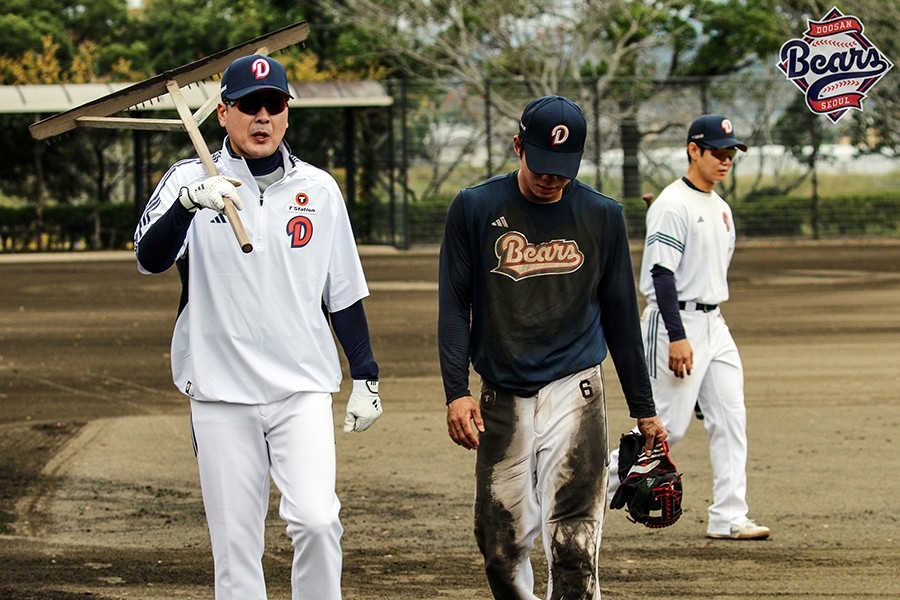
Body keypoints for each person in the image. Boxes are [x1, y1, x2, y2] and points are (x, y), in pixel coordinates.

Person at [133, 54, 383, 599]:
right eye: (249, 105)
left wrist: (366, 372)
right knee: (236, 550)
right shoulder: (188, 177)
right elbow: (149, 257)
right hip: (221, 391)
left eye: (274, 105)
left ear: (287, 114)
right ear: (223, 114)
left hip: (302, 388)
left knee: (318, 521)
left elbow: (341, 291)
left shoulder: (319, 189)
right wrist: (187, 206)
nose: (262, 117)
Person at [438, 95, 667, 599]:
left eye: (563, 170)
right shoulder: (475, 207)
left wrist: (645, 410)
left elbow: (623, 320)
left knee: (574, 540)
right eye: (541, 165)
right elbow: (455, 307)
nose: (551, 179)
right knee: (499, 543)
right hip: (502, 393)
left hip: (577, 391)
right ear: (518, 146)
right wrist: (456, 391)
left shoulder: (602, 215)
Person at [608, 114, 769, 541]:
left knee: (731, 417)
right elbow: (662, 275)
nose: (726, 160)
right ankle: (578, 494)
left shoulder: (720, 208)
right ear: (693, 150)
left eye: (731, 153)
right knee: (666, 429)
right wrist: (678, 337)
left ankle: (729, 516)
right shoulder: (672, 204)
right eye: (718, 152)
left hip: (714, 322)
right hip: (672, 322)